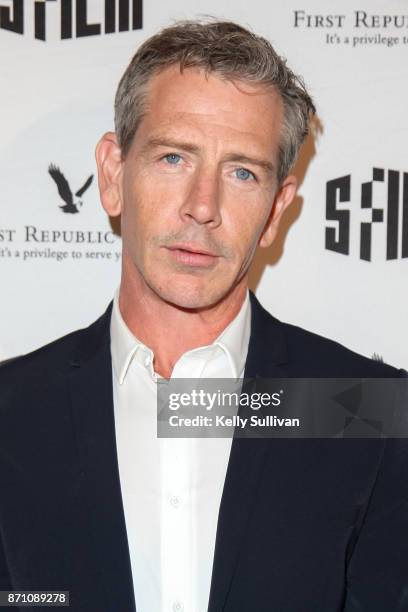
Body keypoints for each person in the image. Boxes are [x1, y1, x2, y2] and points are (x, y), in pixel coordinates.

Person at [0, 19, 407, 612]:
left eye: (242, 172)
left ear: (275, 212)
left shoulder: (366, 410)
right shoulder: (11, 411)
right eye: (173, 158)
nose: (202, 207)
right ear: (112, 175)